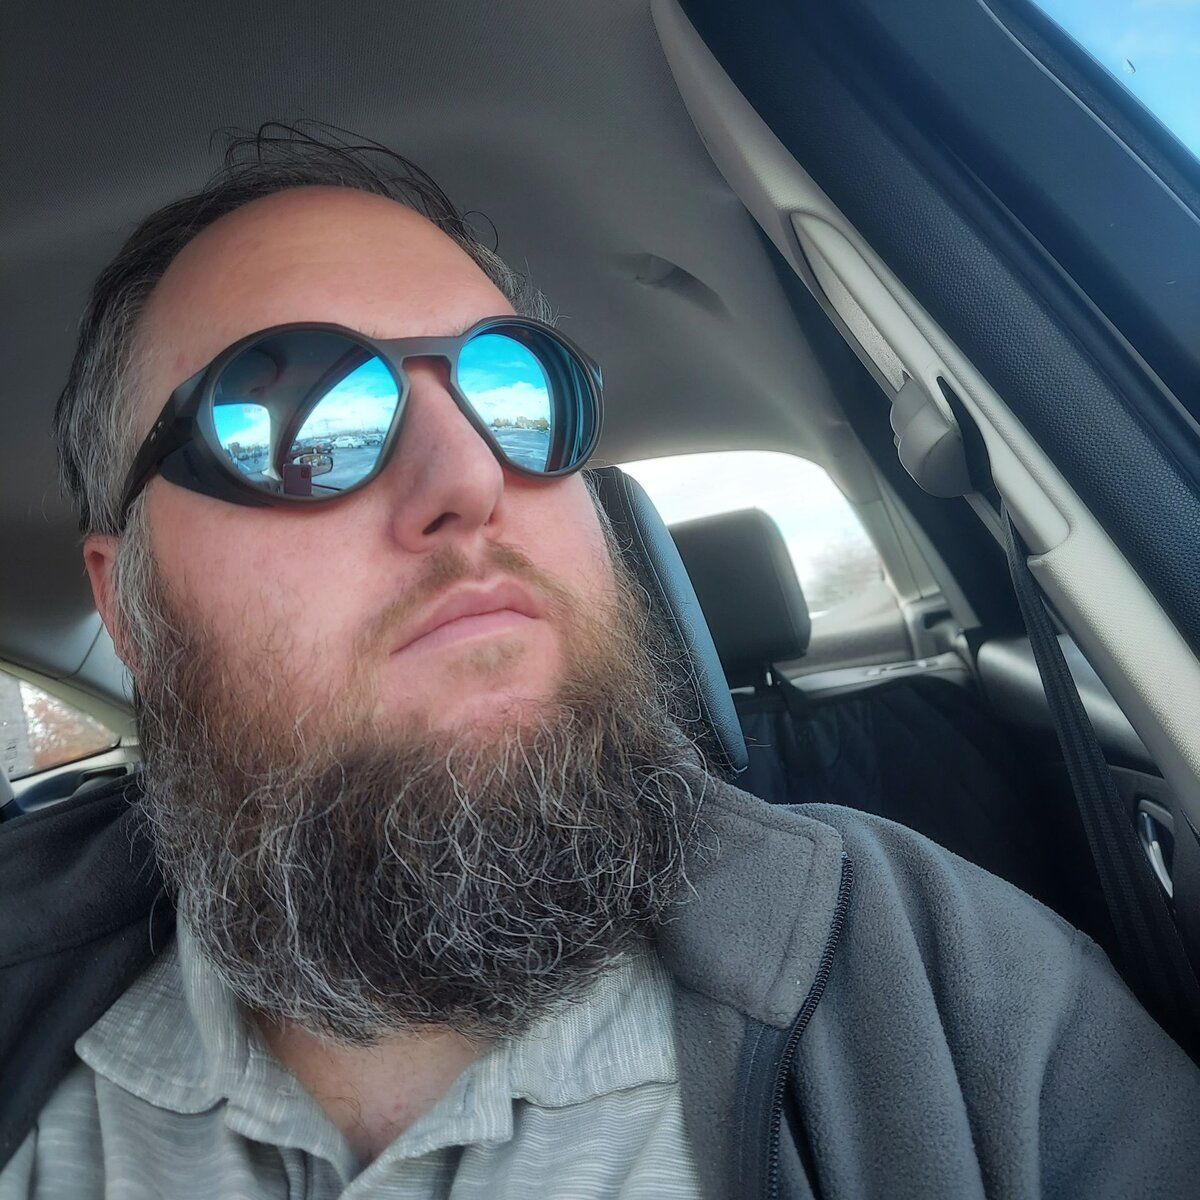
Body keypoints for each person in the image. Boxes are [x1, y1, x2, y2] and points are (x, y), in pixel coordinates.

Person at [2, 124, 1199, 1200]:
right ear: (130, 608)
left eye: (518, 392)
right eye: (296, 417)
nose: (471, 479)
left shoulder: (947, 990)